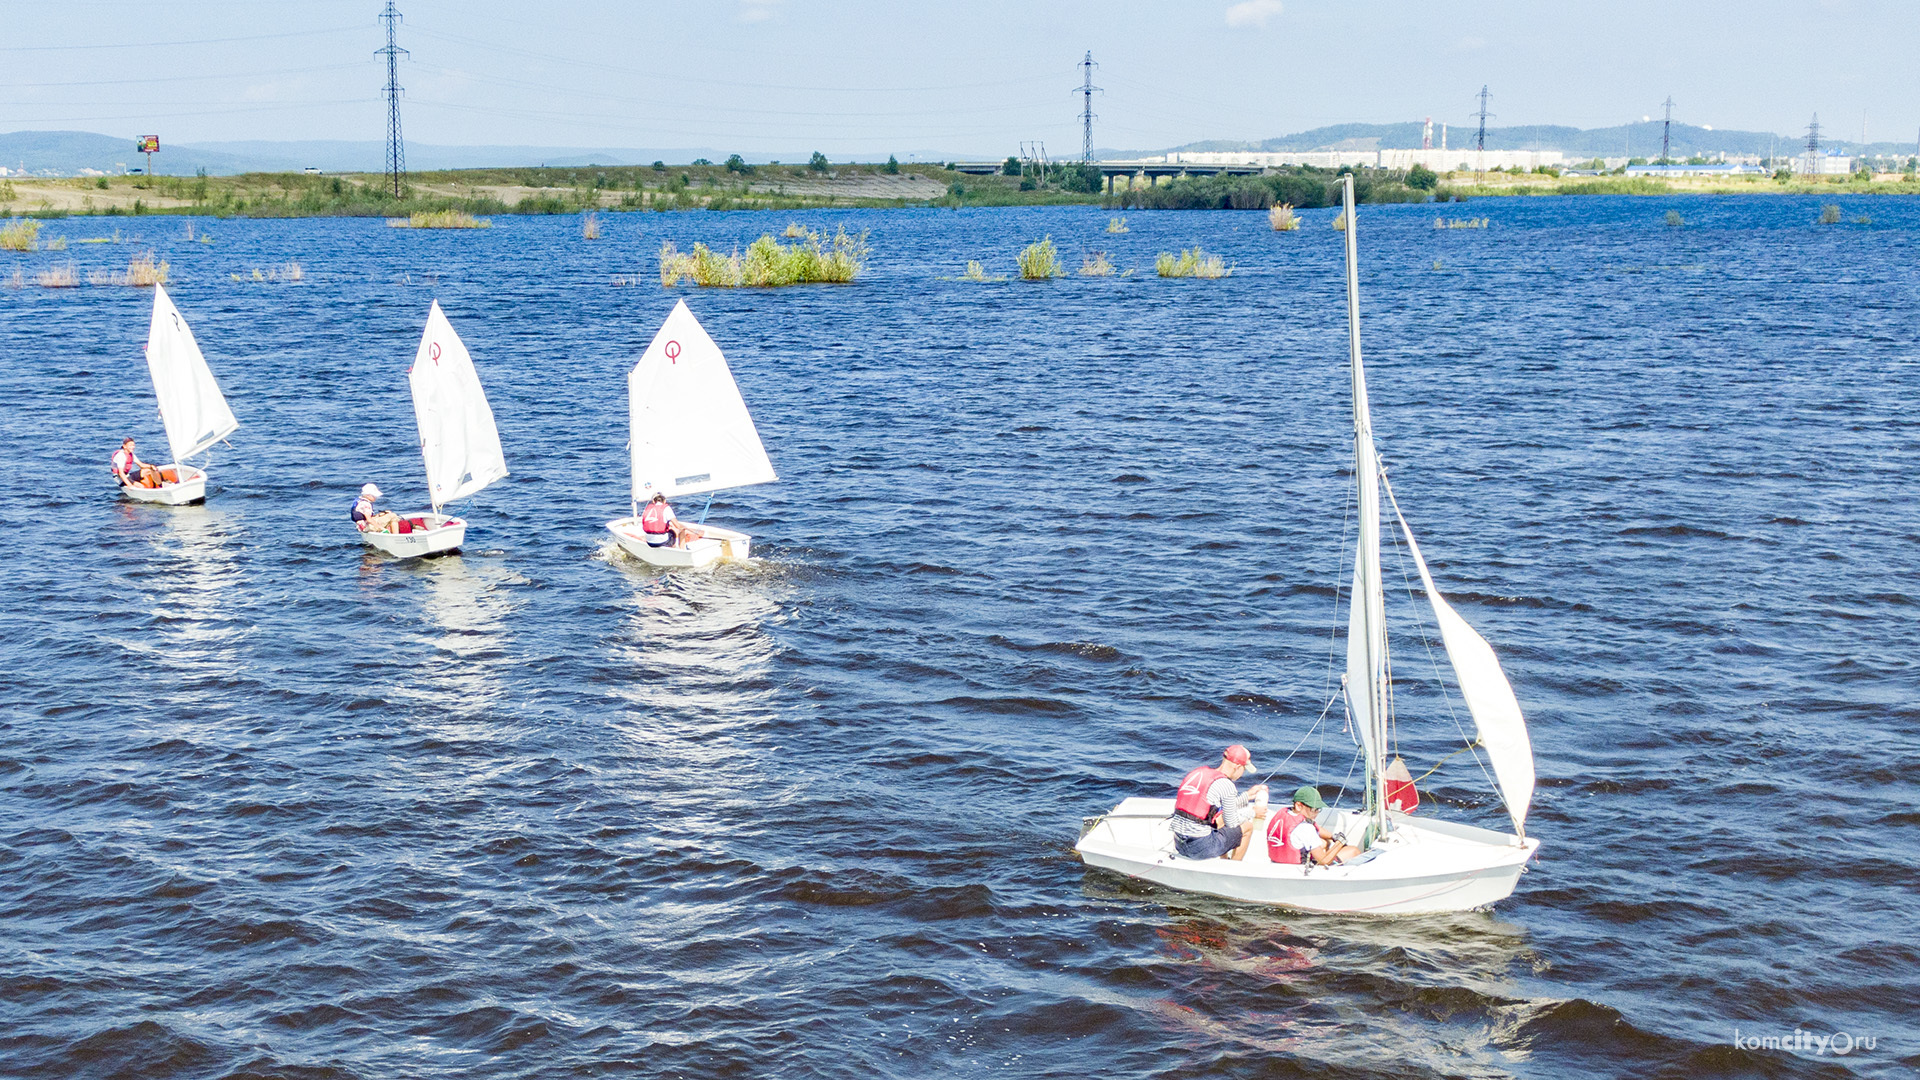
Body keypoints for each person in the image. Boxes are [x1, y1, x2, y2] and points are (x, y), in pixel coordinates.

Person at [1169, 744, 1269, 861]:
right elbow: (1231, 822)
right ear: (1237, 767)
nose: (1242, 774)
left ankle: (1223, 860)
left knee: (1220, 819)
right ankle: (1232, 869)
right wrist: (1253, 812)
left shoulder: (1198, 773)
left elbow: (1210, 809)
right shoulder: (1227, 785)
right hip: (1199, 848)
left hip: (1179, 843)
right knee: (1247, 826)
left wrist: (1246, 796)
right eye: (1244, 769)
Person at [1265, 786, 1333, 866]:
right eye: (1314, 809)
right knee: (1351, 851)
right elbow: (1324, 861)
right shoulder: (1306, 828)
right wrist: (1340, 842)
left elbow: (1316, 828)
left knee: (1324, 843)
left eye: (1318, 809)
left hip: (1277, 860)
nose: (1317, 813)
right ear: (1298, 806)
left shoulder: (1285, 813)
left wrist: (1333, 836)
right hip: (1297, 866)